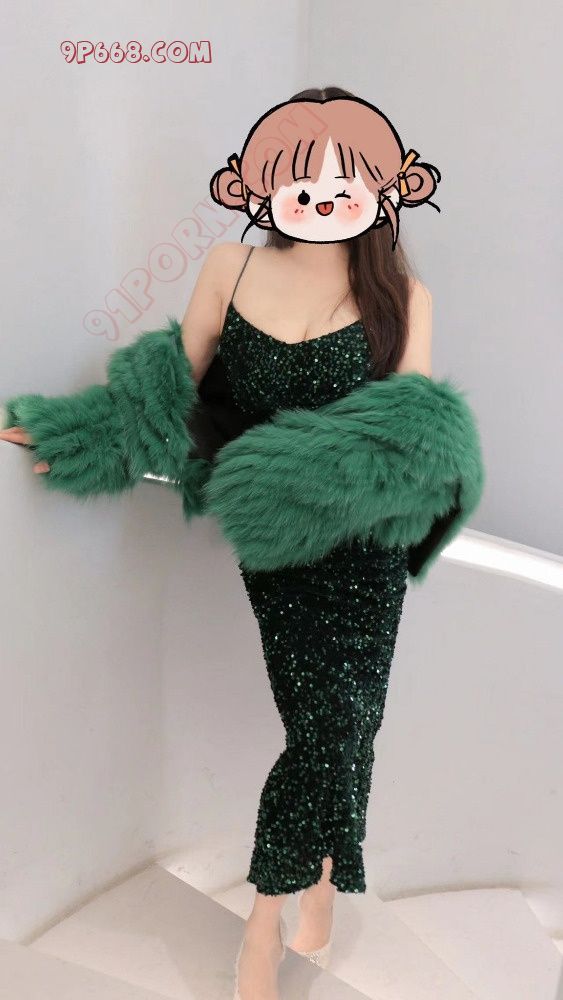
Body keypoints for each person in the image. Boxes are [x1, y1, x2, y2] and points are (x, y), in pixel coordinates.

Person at [0, 87, 483, 1000]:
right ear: (258, 188)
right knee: (323, 727)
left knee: (343, 726)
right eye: (301, 184)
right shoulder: (228, 265)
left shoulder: (403, 295)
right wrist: (80, 433)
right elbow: (169, 387)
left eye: (345, 183)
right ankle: (321, 876)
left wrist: (304, 470)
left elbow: (411, 437)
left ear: (387, 189)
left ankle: (271, 917)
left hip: (362, 550)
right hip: (279, 551)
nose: (323, 198)